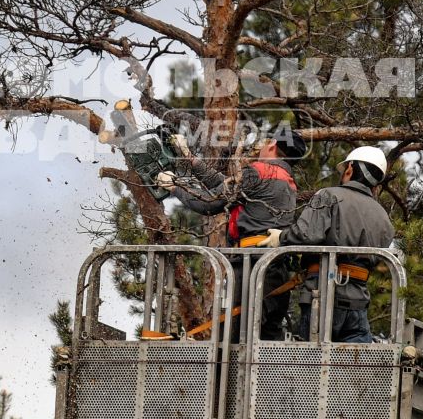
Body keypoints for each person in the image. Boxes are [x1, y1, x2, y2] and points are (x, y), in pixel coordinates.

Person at [157, 124, 304, 338]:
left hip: (251, 268)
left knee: (239, 337)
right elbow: (224, 186)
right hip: (274, 269)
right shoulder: (285, 180)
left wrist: (175, 186)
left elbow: (210, 202)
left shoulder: (258, 172)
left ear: (272, 144)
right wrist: (190, 158)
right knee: (267, 335)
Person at [262, 145, 395, 342]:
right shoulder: (384, 217)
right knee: (350, 370)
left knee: (313, 367)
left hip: (321, 299)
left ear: (350, 168)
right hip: (357, 303)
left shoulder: (329, 196)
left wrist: (281, 238)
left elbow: (307, 234)